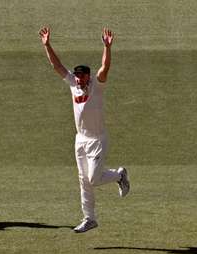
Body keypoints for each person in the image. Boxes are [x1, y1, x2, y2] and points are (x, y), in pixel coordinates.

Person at [40, 26, 130, 233]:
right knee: (84, 181)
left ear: (89, 77)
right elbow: (57, 66)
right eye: (77, 76)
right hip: (80, 139)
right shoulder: (73, 84)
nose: (79, 79)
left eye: (82, 76)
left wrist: (107, 47)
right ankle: (89, 218)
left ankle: (119, 175)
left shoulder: (97, 85)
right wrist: (47, 45)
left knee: (93, 179)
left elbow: (105, 67)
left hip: (97, 139)